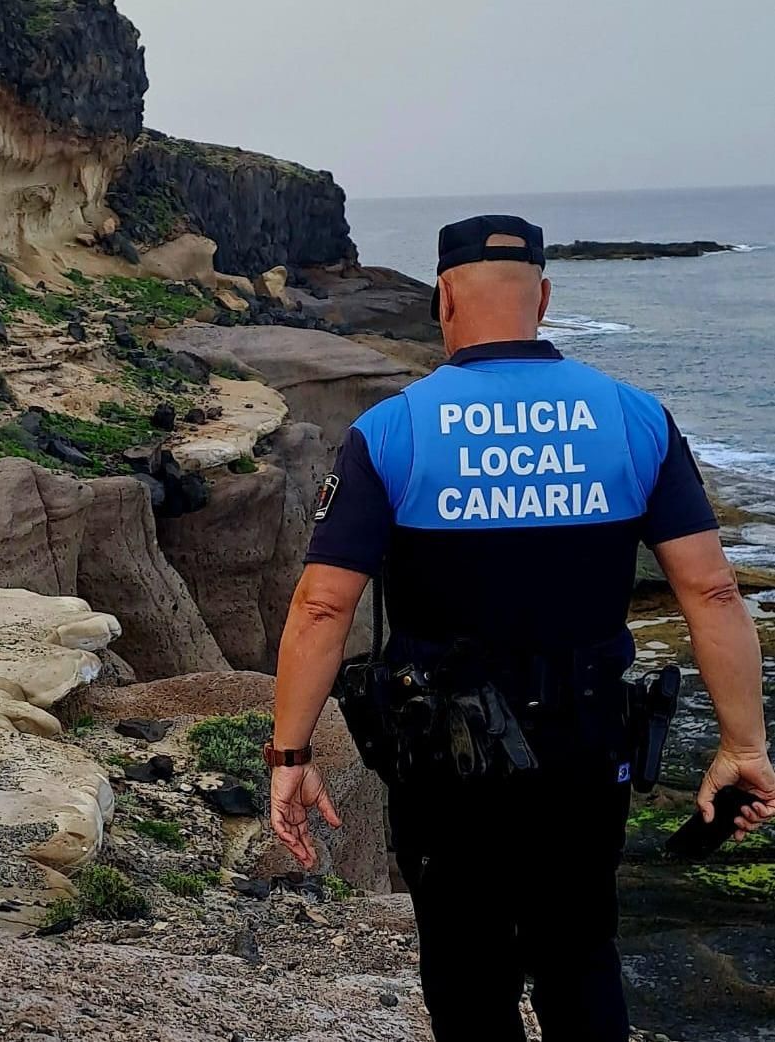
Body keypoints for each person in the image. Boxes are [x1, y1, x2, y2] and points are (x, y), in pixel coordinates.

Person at [268, 215, 775, 1042]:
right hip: (587, 749)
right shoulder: (634, 417)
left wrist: (290, 756)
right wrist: (743, 746)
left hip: (441, 760)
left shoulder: (391, 430)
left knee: (465, 969)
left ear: (442, 299)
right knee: (579, 955)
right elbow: (713, 592)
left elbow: (322, 607)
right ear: (541, 298)